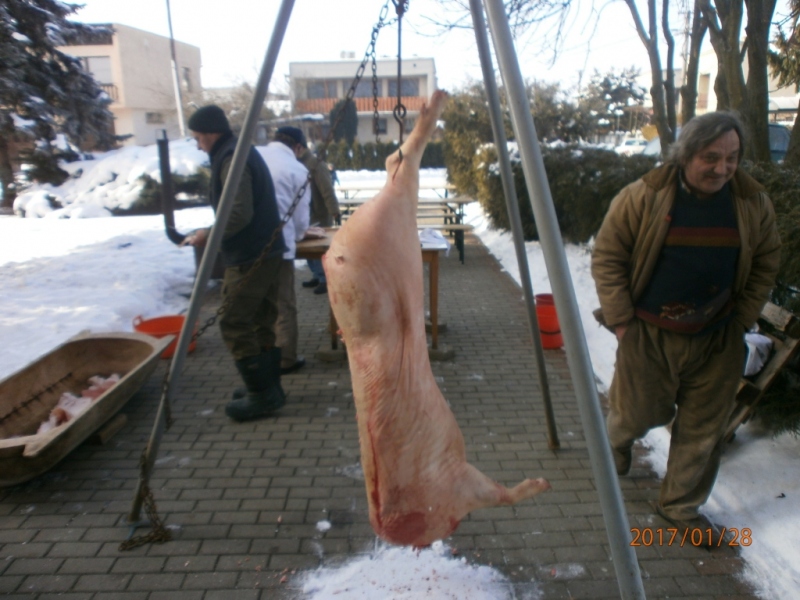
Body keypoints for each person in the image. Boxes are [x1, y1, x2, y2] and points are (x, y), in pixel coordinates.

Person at [591, 111, 780, 544]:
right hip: (650, 334)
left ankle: (680, 507)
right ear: (685, 155)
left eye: (732, 158)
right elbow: (608, 256)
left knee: (703, 431)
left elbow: (767, 258)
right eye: (711, 158)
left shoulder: (751, 202)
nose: (723, 168)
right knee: (639, 413)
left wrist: (742, 317)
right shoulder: (644, 196)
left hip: (718, 337)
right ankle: (617, 441)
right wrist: (622, 323)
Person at [183, 104, 287, 422]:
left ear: (212, 133)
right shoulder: (236, 152)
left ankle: (261, 394)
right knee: (258, 319)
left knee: (233, 321)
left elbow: (239, 213)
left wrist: (209, 234)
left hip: (250, 255)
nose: (199, 145)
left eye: (199, 138)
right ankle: (268, 387)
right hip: (266, 250)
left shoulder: (232, 158)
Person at [260, 127, 311, 375]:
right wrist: (301, 234)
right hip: (279, 246)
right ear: (298, 147)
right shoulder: (296, 169)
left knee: (257, 305)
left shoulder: (254, 156)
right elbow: (301, 218)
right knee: (283, 305)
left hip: (246, 245)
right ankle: (286, 359)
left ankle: (260, 355)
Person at [276, 126, 340, 295]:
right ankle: (317, 276)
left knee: (319, 250)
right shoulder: (295, 163)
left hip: (318, 213)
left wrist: (334, 210)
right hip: (306, 215)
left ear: (300, 147)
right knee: (307, 249)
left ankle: (325, 279)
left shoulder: (315, 164)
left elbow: (327, 189)